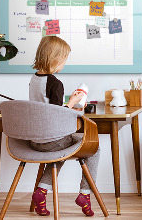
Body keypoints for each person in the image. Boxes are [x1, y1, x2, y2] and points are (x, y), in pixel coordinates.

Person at [29, 36, 99, 217]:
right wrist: (74, 102)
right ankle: (85, 194)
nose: (64, 64)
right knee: (94, 148)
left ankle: (41, 192)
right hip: (52, 140)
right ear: (56, 59)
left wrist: (68, 104)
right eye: (64, 60)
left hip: (35, 140)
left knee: (59, 151)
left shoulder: (34, 79)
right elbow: (57, 115)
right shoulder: (55, 83)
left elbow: (46, 109)